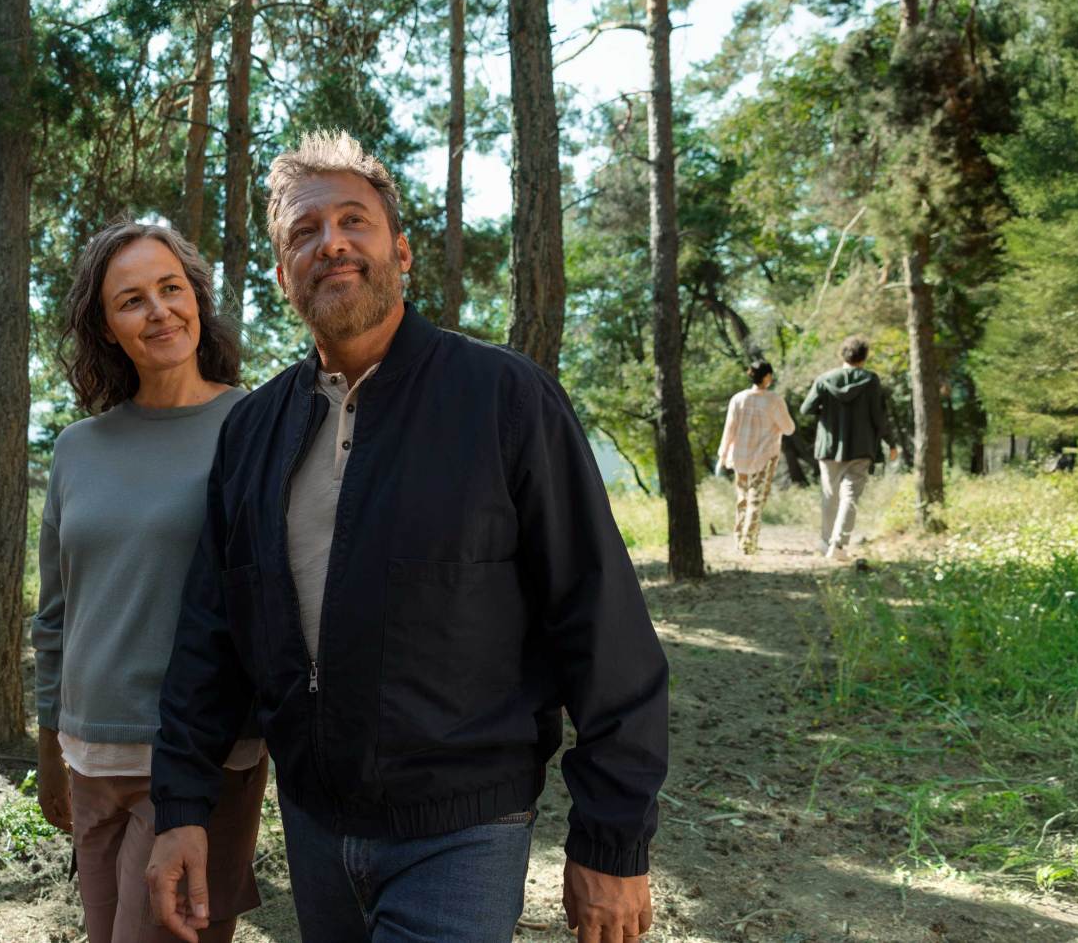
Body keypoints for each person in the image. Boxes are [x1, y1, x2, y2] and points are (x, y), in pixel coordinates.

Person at [143, 131, 669, 943]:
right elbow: (210, 638)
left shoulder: (504, 399)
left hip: (464, 828)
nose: (333, 243)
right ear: (284, 274)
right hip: (314, 823)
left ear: (402, 250)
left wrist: (614, 837)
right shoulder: (252, 431)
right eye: (304, 234)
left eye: (355, 220)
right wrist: (180, 806)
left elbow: (601, 626)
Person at [32, 222, 267, 943]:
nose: (159, 310)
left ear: (197, 298)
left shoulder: (253, 423)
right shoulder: (78, 448)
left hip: (199, 762)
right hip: (90, 755)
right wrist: (49, 752)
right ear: (107, 327)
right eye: (131, 299)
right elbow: (56, 613)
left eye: (171, 288)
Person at [798, 336, 899, 561]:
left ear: (842, 355)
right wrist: (890, 443)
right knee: (849, 497)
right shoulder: (871, 381)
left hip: (829, 447)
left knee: (829, 495)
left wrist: (827, 408)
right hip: (861, 447)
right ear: (864, 357)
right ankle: (839, 545)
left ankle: (825, 543)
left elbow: (806, 409)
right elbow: (879, 416)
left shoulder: (824, 379)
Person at [715, 360, 796, 555]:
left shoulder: (738, 399)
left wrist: (723, 455)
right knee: (756, 499)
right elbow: (789, 428)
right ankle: (748, 543)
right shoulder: (774, 400)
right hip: (764, 456)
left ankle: (739, 538)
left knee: (742, 497)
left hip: (740, 456)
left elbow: (729, 429)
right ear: (767, 377)